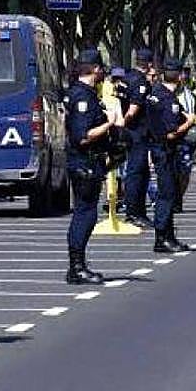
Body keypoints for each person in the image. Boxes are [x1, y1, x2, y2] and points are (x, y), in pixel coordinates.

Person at [64, 48, 120, 284]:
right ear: (95, 69)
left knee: (85, 213)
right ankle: (76, 267)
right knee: (85, 215)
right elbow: (83, 136)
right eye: (101, 70)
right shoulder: (83, 97)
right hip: (84, 162)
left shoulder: (81, 93)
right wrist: (110, 124)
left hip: (89, 161)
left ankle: (78, 264)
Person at [146, 59, 194, 253]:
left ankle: (169, 236)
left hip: (163, 149)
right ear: (180, 75)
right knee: (166, 195)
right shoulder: (166, 98)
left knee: (171, 193)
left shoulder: (158, 94)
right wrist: (188, 123)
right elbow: (170, 133)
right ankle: (162, 238)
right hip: (164, 150)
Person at [121, 49, 157, 228]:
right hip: (137, 133)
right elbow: (133, 109)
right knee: (137, 173)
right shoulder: (140, 82)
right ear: (149, 63)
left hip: (133, 133)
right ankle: (134, 213)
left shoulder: (126, 78)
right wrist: (125, 124)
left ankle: (136, 211)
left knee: (139, 172)